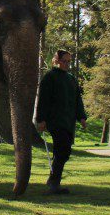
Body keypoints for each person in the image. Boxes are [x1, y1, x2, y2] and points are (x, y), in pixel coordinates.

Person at [36, 50, 87, 194]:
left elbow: (78, 100)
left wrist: (82, 117)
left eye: (69, 61)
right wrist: (41, 119)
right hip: (55, 121)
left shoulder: (71, 79)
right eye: (64, 61)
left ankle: (53, 179)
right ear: (56, 61)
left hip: (68, 121)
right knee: (62, 149)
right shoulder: (50, 77)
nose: (67, 64)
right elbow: (43, 100)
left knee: (64, 152)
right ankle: (54, 182)